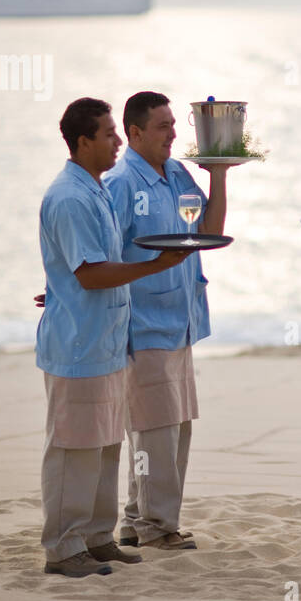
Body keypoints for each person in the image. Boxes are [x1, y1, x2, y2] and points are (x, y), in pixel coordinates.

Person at [35, 97, 189, 578]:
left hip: (109, 343)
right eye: (108, 134)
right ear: (83, 142)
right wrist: (155, 266)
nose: (118, 141)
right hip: (79, 346)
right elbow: (89, 274)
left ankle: (98, 538)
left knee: (105, 445)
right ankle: (63, 548)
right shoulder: (71, 196)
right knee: (73, 449)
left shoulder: (97, 189)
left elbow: (82, 267)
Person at [103, 91, 226, 551]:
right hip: (143, 322)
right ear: (134, 133)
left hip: (183, 318)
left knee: (173, 427)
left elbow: (207, 232)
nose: (174, 133)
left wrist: (217, 176)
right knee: (155, 430)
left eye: (175, 124)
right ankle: (158, 527)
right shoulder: (121, 184)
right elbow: (103, 253)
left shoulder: (176, 173)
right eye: (162, 126)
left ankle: (137, 521)